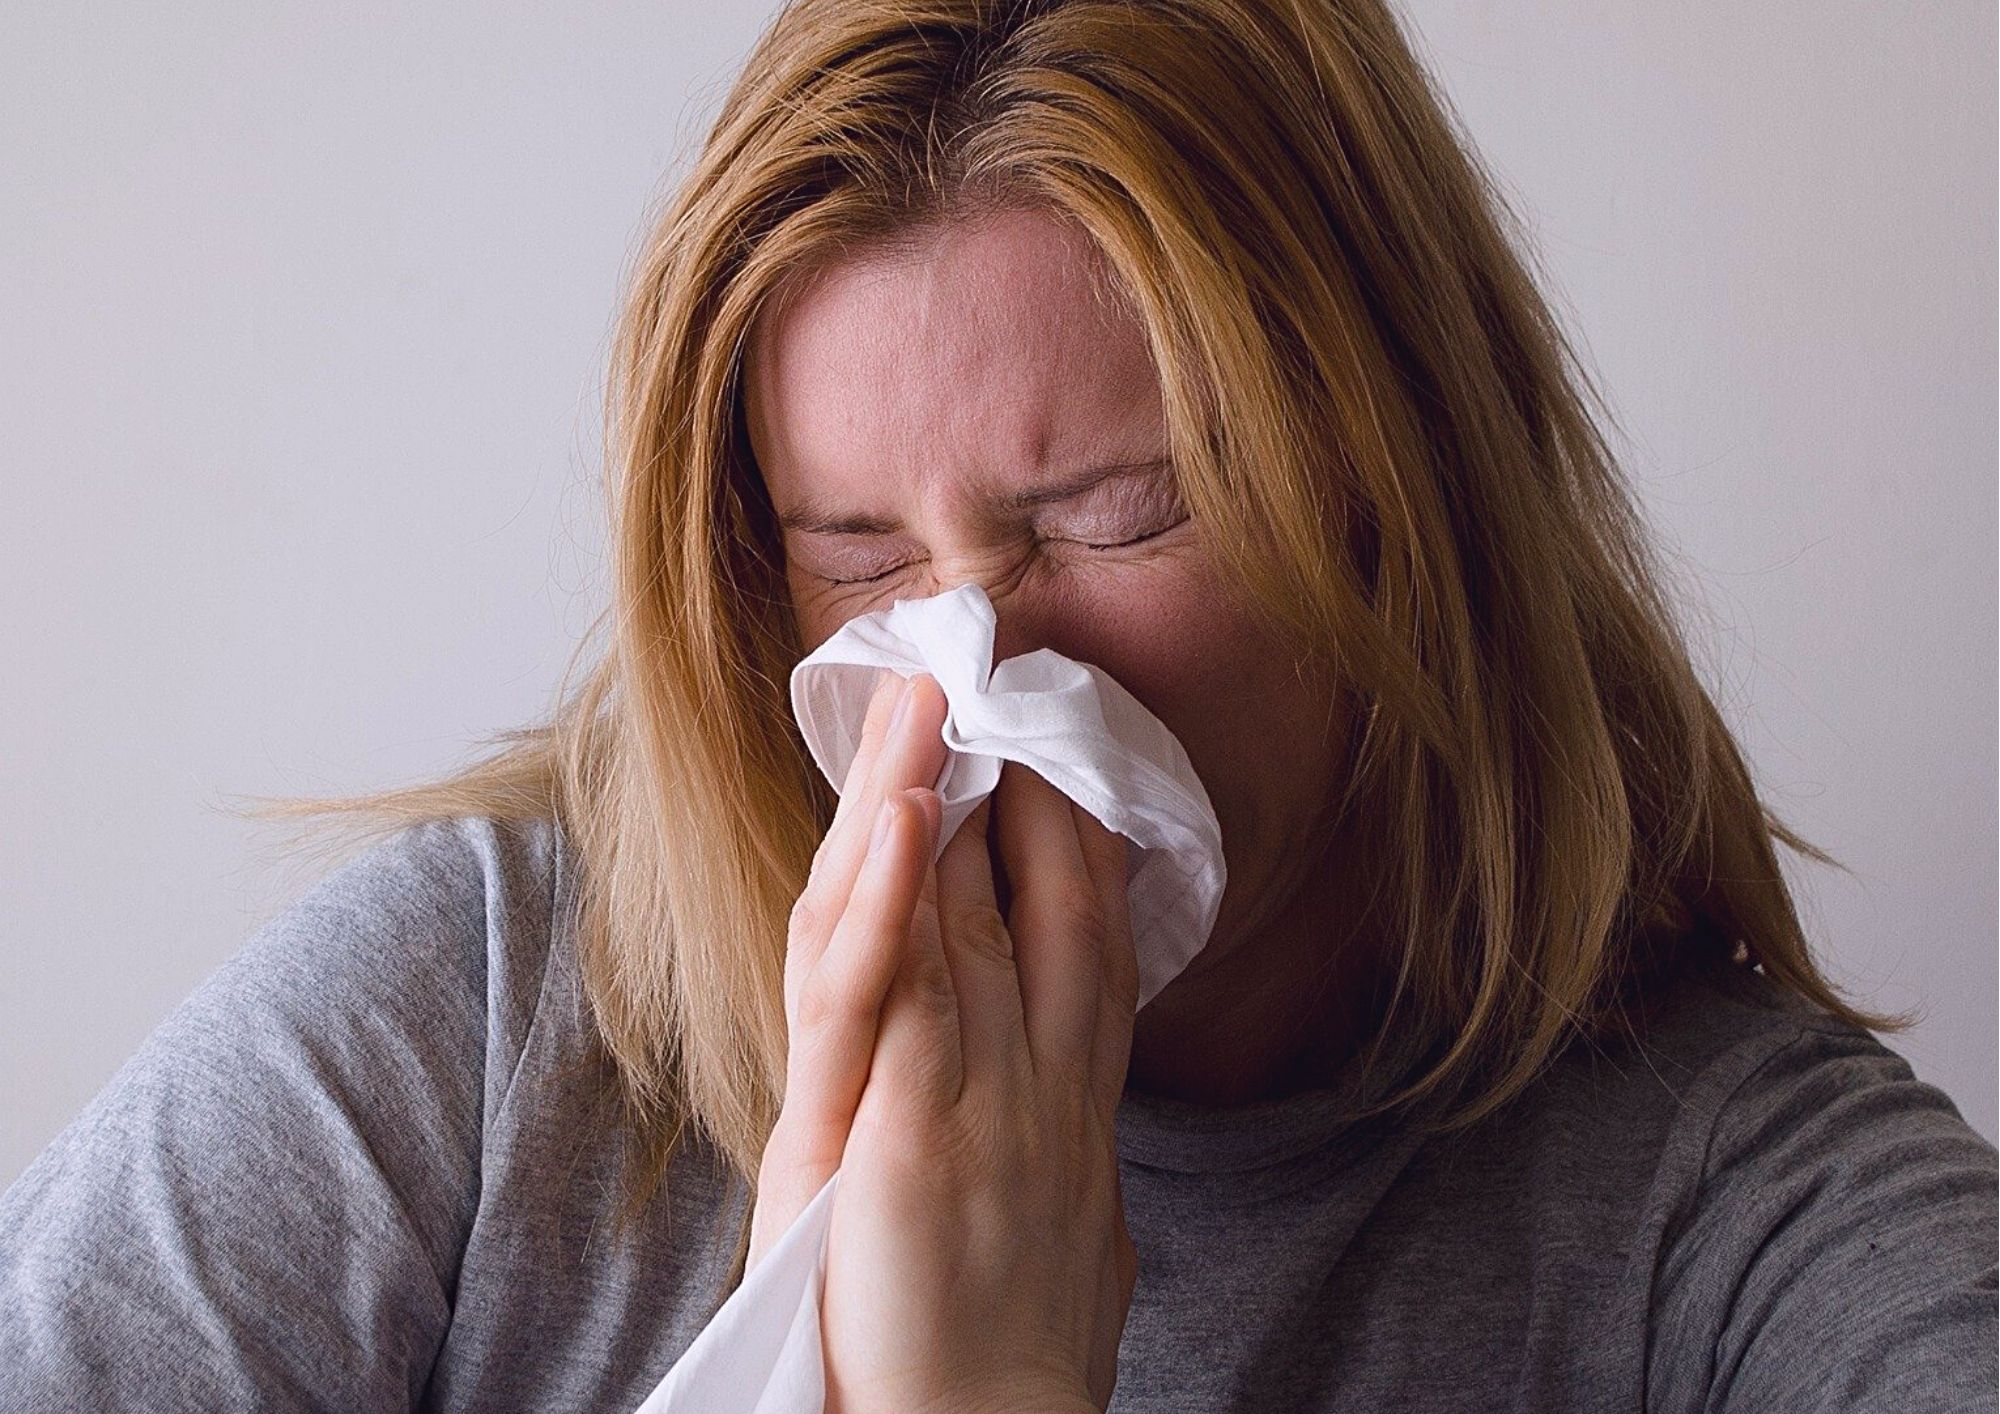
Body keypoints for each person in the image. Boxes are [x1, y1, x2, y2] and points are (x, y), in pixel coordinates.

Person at [3, 0, 1993, 1409]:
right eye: (859, 558)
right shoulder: (481, 1018)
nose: (976, 678)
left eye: (1117, 514)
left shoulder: (1735, 1220)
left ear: (1404, 500)